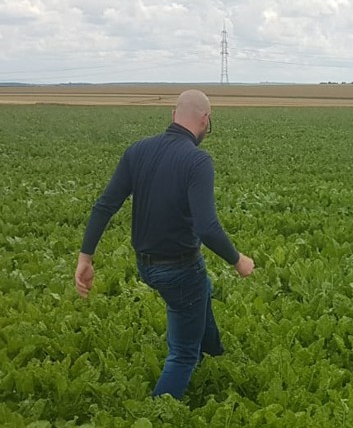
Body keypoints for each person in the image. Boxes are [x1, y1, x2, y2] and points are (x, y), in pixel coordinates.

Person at [74, 89, 255, 399]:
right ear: (205, 121)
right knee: (183, 353)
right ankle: (159, 410)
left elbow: (105, 204)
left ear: (173, 115)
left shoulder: (138, 151)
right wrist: (238, 260)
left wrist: (85, 257)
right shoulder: (197, 161)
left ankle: (213, 351)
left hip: (146, 265)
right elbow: (207, 227)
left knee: (202, 290)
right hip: (180, 269)